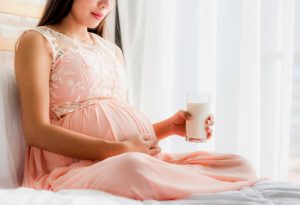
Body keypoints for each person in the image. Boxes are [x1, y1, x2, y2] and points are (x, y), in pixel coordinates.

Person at [14, 0, 258, 201]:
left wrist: (167, 128)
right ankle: (166, 178)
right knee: (134, 169)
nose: (106, 4)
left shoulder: (111, 51)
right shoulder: (37, 41)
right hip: (77, 167)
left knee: (239, 165)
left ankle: (162, 175)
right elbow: (37, 131)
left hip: (130, 158)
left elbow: (117, 130)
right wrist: (117, 151)